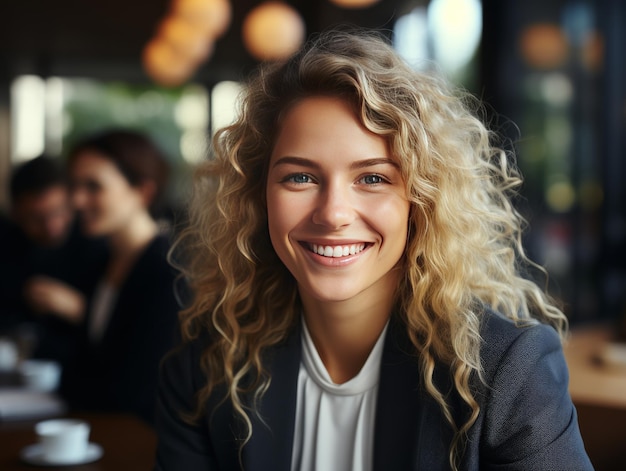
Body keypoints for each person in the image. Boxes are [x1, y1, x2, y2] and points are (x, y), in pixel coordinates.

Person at [154, 31, 593, 470]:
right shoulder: (208, 362)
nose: (333, 214)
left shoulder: (505, 371)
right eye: (300, 178)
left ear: (420, 201)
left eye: (373, 178)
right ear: (257, 196)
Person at [58, 129, 181, 425]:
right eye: (74, 186)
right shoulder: (100, 262)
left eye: (93, 186)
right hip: (102, 432)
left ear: (143, 191)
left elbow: (138, 389)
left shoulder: (169, 272)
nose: (77, 200)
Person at [0, 155, 104, 362]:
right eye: (37, 218)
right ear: (16, 214)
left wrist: (78, 308)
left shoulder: (96, 243)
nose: (52, 227)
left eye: (59, 211)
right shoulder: (6, 243)